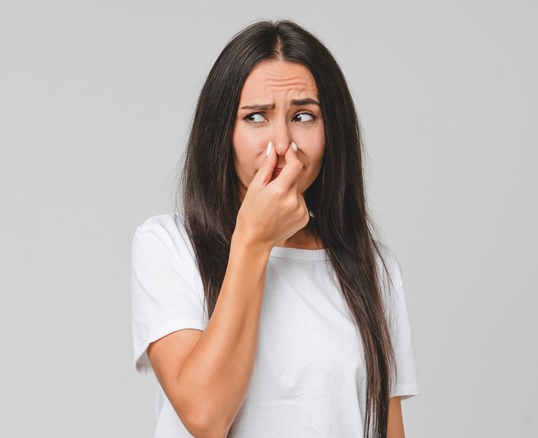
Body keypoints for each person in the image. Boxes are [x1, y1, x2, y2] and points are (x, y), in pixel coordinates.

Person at [130, 20, 420, 438]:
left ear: (330, 131)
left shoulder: (372, 267)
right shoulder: (168, 246)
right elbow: (205, 417)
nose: (282, 144)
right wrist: (254, 238)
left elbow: (388, 427)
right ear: (222, 134)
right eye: (255, 117)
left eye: (303, 116)